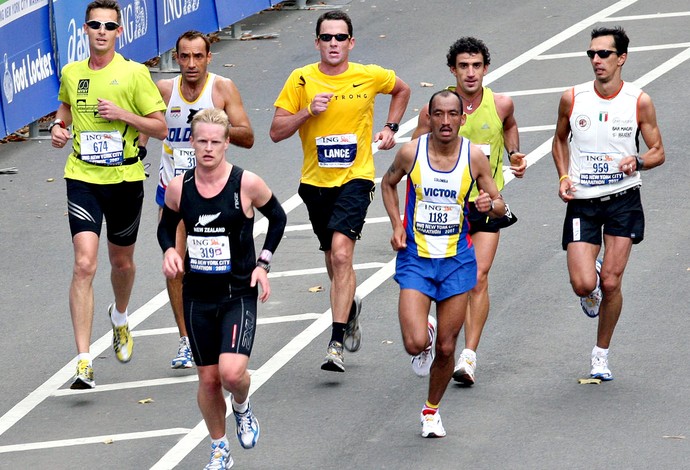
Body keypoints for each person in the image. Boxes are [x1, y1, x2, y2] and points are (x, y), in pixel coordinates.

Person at [269, 10, 410, 372]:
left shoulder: (368, 75)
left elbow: (401, 89)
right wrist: (306, 114)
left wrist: (391, 126)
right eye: (327, 38)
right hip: (315, 184)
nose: (333, 43)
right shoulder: (301, 80)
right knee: (334, 260)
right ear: (317, 43)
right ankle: (350, 305)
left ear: (351, 42)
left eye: (340, 37)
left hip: (356, 177)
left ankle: (335, 343)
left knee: (342, 256)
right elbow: (276, 131)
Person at [157, 108, 286, 469]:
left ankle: (242, 406)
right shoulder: (180, 187)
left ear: (228, 143)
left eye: (216, 141)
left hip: (238, 292)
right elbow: (166, 226)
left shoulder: (245, 183)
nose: (209, 148)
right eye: (202, 142)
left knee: (231, 374)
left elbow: (278, 217)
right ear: (192, 143)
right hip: (198, 295)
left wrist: (263, 264)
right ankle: (219, 448)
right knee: (209, 379)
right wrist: (170, 250)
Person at [49, 0, 167, 390]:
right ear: (84, 29)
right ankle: (83, 360)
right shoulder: (71, 72)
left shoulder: (134, 74)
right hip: (82, 176)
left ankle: (120, 317)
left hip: (126, 179)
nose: (102, 30)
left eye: (109, 25)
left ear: (119, 31)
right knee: (84, 264)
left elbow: (161, 126)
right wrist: (57, 128)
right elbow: (64, 110)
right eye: (95, 24)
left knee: (122, 264)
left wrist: (124, 115)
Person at [382, 90, 506, 437]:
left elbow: (499, 204)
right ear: (430, 117)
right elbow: (387, 184)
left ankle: (431, 411)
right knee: (413, 343)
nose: (446, 121)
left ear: (462, 119)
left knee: (449, 348)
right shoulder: (411, 153)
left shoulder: (474, 158)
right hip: (417, 259)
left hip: (456, 260)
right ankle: (426, 333)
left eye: (453, 114)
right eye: (439, 114)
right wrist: (396, 225)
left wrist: (487, 205)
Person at [413, 37, 527, 386]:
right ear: (452, 70)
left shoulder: (502, 104)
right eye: (463, 66)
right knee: (444, 279)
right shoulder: (437, 109)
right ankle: (431, 330)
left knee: (478, 276)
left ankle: (468, 356)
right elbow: (415, 153)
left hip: (487, 204)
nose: (471, 72)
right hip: (444, 207)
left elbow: (508, 127)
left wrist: (514, 155)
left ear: (485, 68)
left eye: (476, 65)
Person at [552, 26, 664, 381]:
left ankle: (600, 355)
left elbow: (658, 151)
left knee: (612, 283)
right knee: (585, 284)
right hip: (583, 201)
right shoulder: (572, 97)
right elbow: (559, 140)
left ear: (622, 59)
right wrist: (563, 176)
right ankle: (593, 279)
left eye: (603, 54)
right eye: (591, 54)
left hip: (623, 199)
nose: (596, 60)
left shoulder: (638, 100)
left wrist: (639, 161)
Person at [140, 30, 254, 370]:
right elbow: (146, 125)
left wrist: (213, 129)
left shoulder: (222, 89)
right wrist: (138, 148)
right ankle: (186, 339)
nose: (191, 64)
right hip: (175, 190)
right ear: (176, 59)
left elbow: (247, 135)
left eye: (198, 57)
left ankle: (223, 321)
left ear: (209, 58)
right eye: (184, 57)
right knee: (175, 261)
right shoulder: (163, 90)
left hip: (216, 190)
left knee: (215, 259)